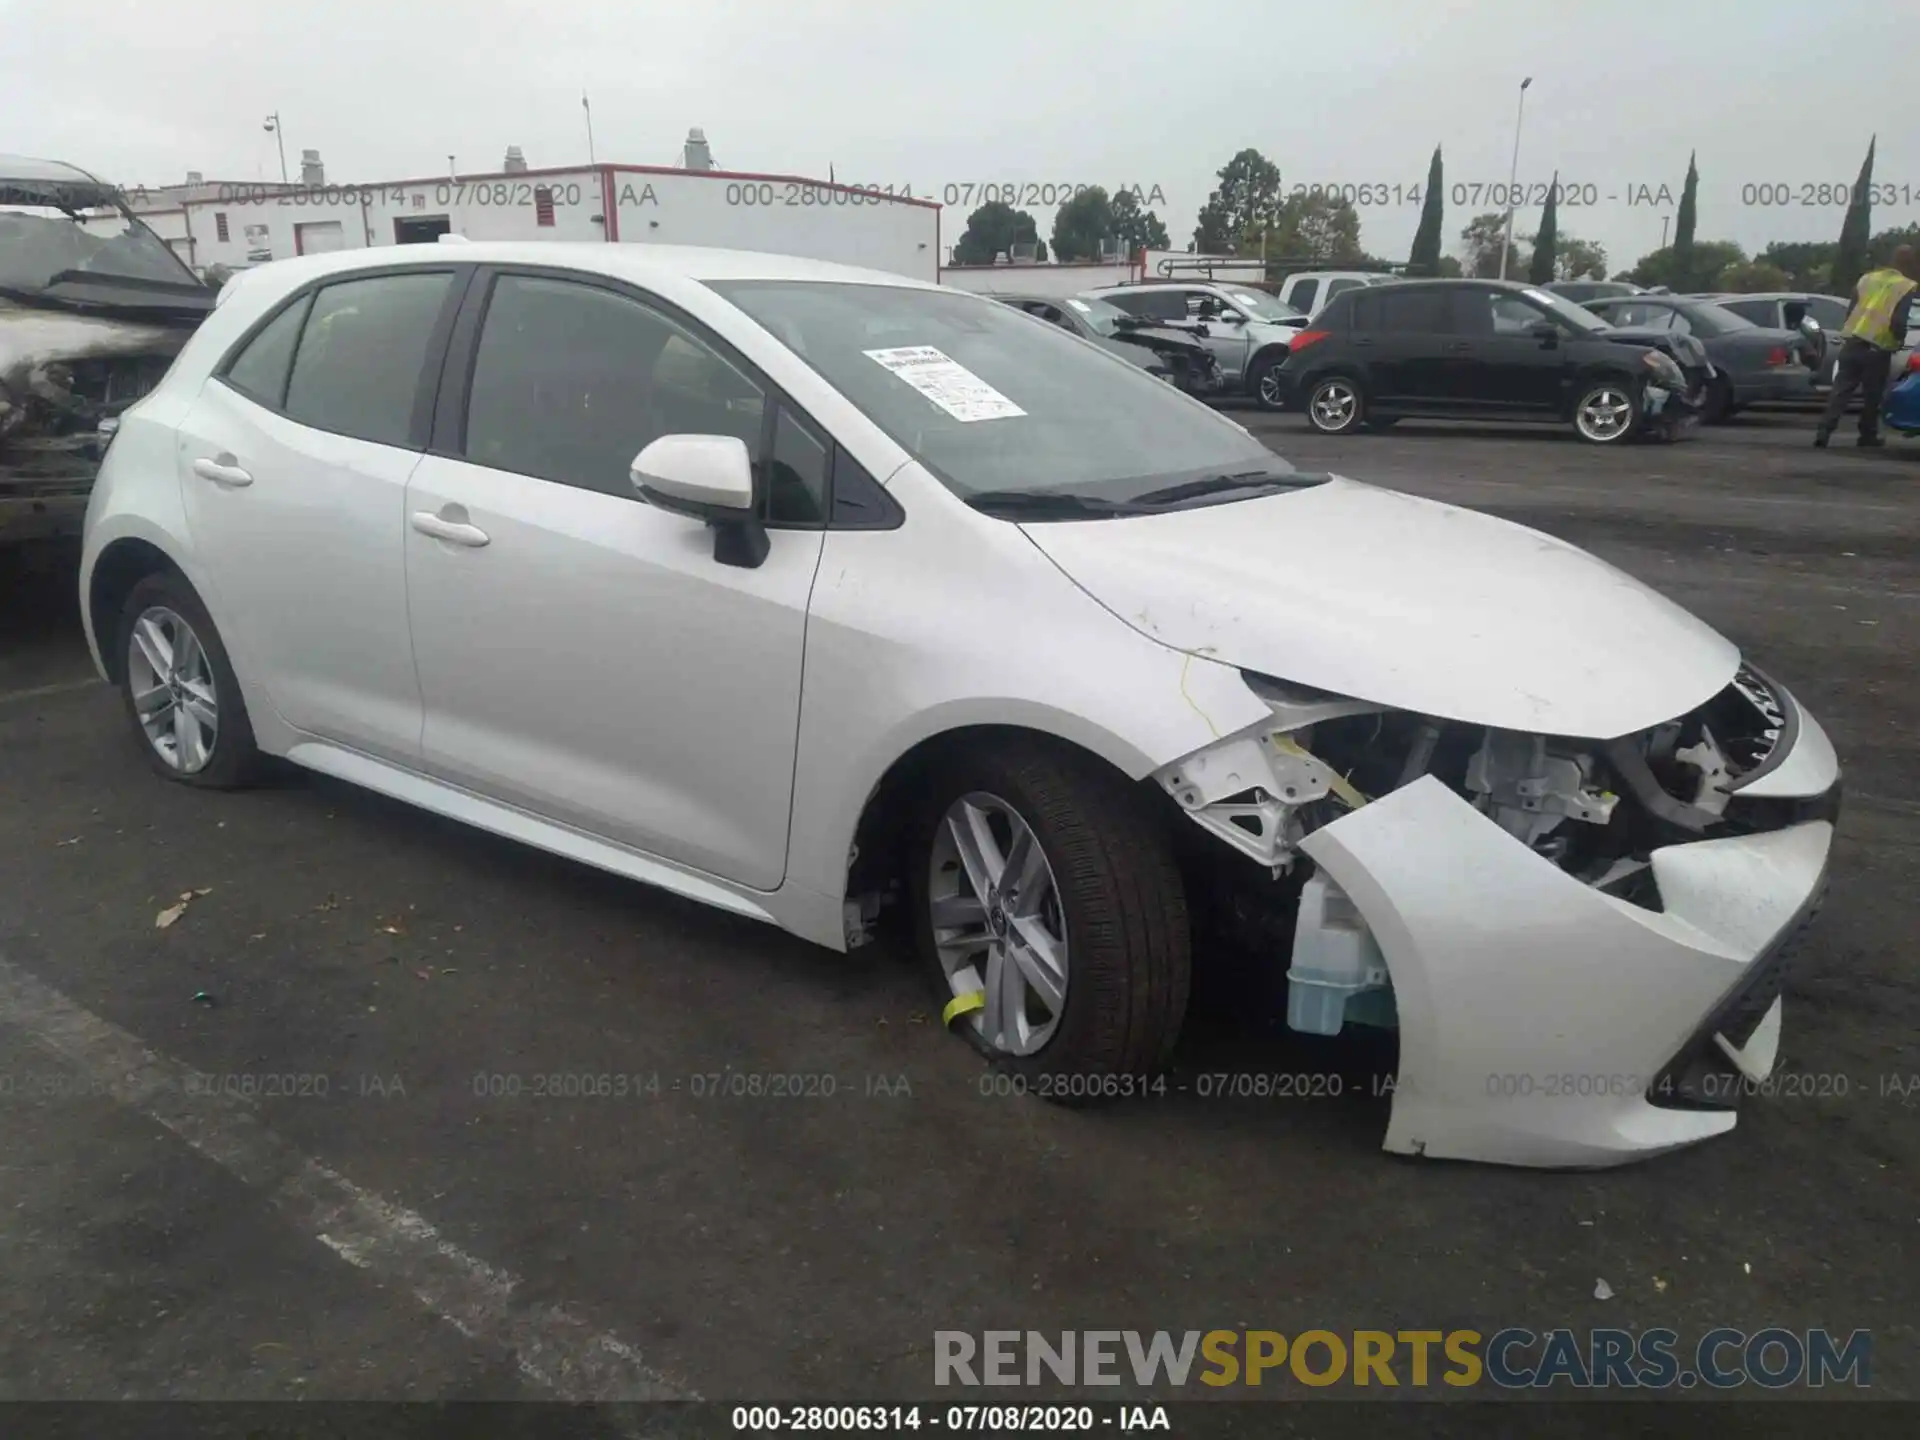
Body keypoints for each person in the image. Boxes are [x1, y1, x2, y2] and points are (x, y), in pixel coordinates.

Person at [1814, 244, 1919, 448]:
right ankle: (1867, 435)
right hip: (1878, 347)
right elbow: (1898, 320)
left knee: (1840, 391)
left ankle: (1823, 432)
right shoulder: (1906, 286)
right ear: (1911, 263)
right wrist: (1898, 340)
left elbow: (1852, 310)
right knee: (1873, 395)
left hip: (1852, 342)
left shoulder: (1867, 279)